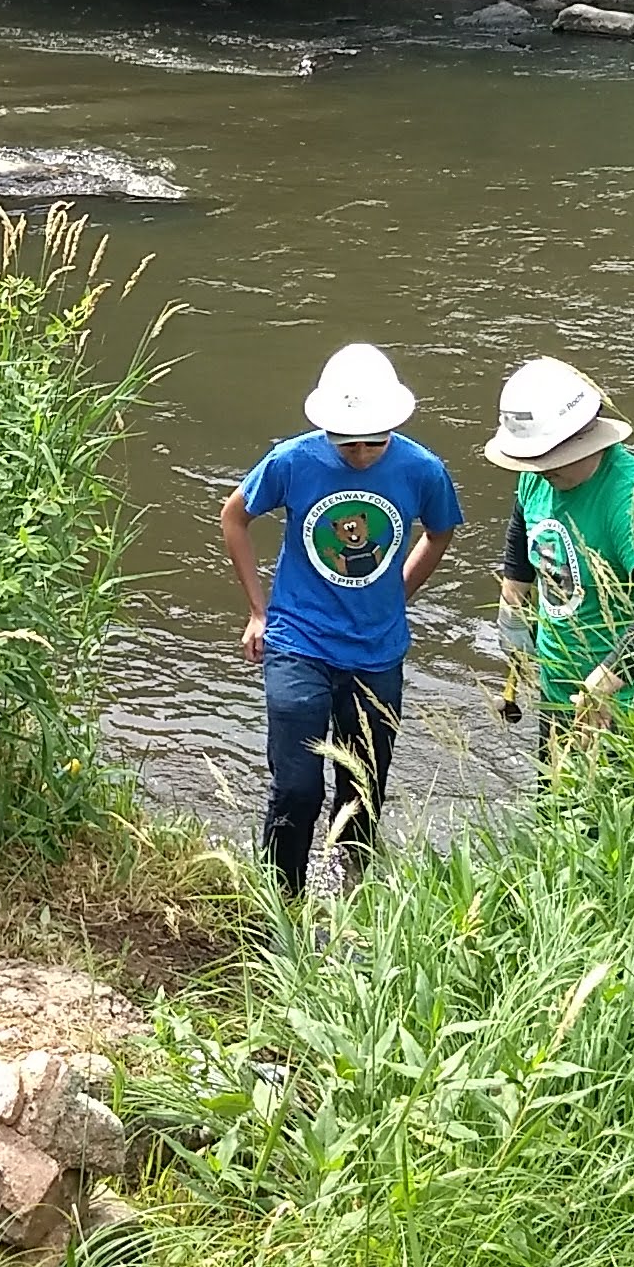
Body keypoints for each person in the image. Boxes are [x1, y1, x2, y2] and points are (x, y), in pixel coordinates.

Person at [218, 342, 464, 898]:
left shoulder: (422, 469)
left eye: (372, 441)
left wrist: (397, 592)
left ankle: (351, 901)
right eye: (345, 441)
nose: (358, 453)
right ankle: (283, 904)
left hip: (377, 654)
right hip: (297, 642)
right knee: (297, 789)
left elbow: (441, 529)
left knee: (363, 787)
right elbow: (235, 516)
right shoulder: (293, 460)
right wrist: (258, 610)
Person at [485, 358, 634, 745]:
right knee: (554, 805)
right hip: (559, 693)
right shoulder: (536, 478)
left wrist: (608, 681)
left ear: (583, 435)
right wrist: (512, 612)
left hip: (628, 707)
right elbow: (521, 537)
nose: (536, 468)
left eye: (545, 458)